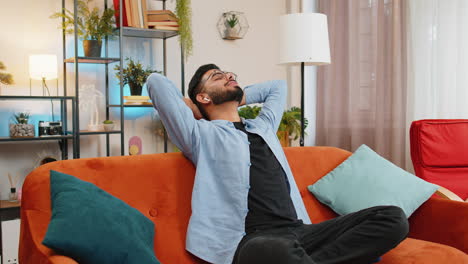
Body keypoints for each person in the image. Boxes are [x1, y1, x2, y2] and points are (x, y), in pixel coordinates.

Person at [146, 64, 409, 264]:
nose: (228, 76)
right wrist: (195, 107)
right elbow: (156, 82)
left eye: (229, 74)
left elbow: (278, 87)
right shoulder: (200, 135)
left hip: (301, 232)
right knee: (276, 250)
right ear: (203, 98)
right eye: (217, 77)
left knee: (392, 218)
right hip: (251, 239)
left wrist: (236, 96)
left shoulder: (263, 128)